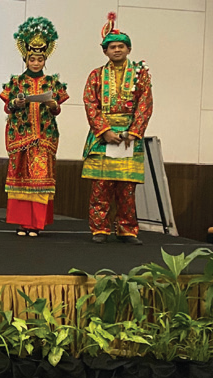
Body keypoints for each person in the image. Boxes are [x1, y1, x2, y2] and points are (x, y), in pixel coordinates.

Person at [82, 12, 153, 245]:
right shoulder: (96, 75)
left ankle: (127, 229)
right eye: (112, 47)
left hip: (128, 137)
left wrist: (132, 133)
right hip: (104, 137)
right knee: (101, 186)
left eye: (121, 46)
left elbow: (145, 104)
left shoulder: (140, 75)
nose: (117, 50)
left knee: (126, 188)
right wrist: (104, 131)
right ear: (105, 51)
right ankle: (100, 229)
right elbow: (90, 103)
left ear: (128, 49)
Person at [0, 17, 69, 237]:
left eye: (40, 59)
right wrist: (16, 103)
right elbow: (7, 107)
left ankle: (36, 225)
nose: (36, 63)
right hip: (21, 138)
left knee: (40, 181)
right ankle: (22, 223)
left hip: (43, 139)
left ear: (45, 59)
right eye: (32, 59)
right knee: (20, 181)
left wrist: (52, 104)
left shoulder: (53, 83)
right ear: (25, 59)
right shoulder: (16, 82)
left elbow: (57, 110)